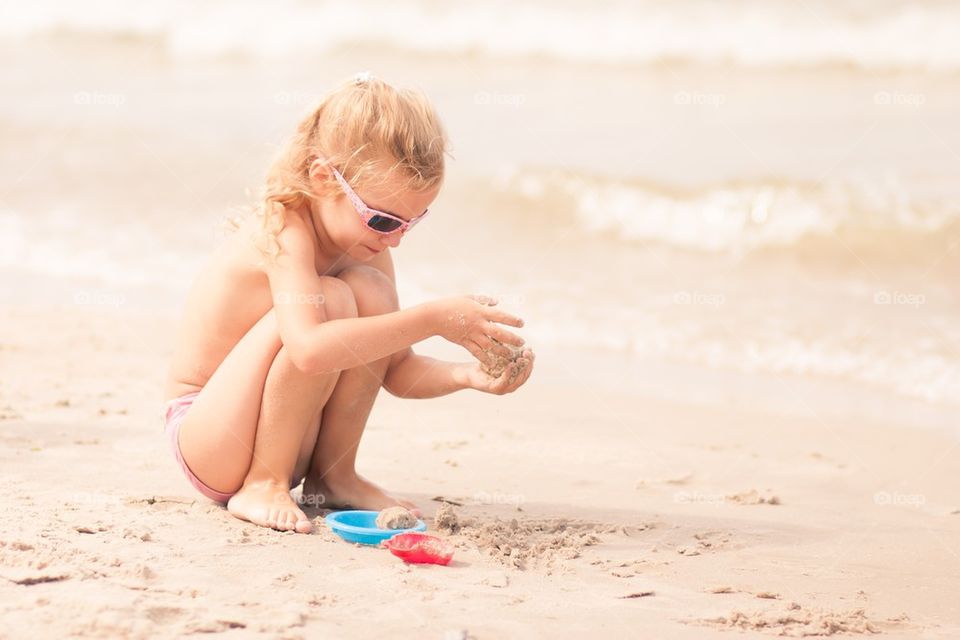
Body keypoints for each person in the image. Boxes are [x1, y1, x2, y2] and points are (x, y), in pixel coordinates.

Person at [161, 73, 535, 534]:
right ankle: (263, 482)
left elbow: (395, 368)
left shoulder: (371, 248)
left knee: (370, 294)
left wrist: (469, 376)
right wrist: (432, 317)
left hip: (283, 432)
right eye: (381, 218)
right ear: (323, 178)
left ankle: (333, 476)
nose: (395, 239)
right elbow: (309, 349)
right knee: (332, 298)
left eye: (411, 223)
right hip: (212, 436)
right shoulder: (284, 228)